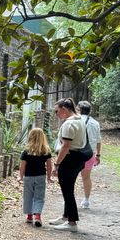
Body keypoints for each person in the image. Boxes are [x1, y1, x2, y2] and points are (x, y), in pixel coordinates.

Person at [49, 97, 88, 231]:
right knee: (68, 189)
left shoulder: (69, 124)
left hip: (69, 159)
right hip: (77, 158)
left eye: (57, 111)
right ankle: (66, 216)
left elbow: (65, 146)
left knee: (67, 191)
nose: (56, 114)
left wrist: (57, 164)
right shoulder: (79, 120)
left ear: (64, 109)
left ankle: (72, 223)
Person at [19, 128, 53, 227]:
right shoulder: (46, 150)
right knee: (39, 197)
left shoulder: (26, 151)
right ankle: (37, 216)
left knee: (28, 196)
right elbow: (49, 165)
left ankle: (29, 216)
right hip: (41, 176)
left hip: (28, 177)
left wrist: (20, 177)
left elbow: (22, 166)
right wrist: (49, 177)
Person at [78, 100, 102, 208]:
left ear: (78, 109)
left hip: (76, 153)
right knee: (86, 177)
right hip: (89, 154)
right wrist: (98, 155)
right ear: (90, 111)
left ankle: (69, 200)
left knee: (71, 177)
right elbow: (98, 140)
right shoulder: (95, 123)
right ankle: (86, 200)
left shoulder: (75, 121)